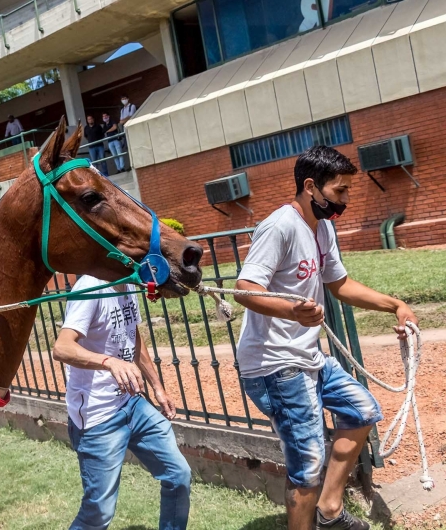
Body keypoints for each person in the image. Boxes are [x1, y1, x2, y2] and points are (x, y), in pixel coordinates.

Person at [234, 145, 418, 530]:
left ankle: (330, 510)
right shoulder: (280, 225)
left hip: (308, 358)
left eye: (348, 191)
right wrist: (292, 311)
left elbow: (340, 283)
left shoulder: (323, 228)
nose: (345, 200)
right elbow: (245, 289)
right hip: (275, 364)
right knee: (307, 464)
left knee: (362, 411)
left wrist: (395, 305)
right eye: (339, 192)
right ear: (310, 186)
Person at [54, 275, 191, 530]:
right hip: (97, 417)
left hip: (132, 404)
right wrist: (109, 361)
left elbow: (132, 336)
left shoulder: (127, 283)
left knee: (178, 476)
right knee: (99, 513)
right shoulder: (90, 286)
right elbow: (62, 348)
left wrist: (158, 388)